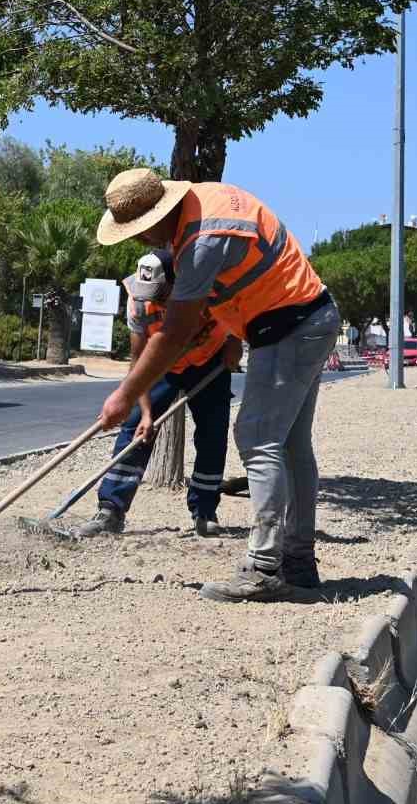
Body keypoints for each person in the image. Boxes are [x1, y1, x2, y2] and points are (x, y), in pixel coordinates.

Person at [94, 168, 340, 602]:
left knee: (258, 439)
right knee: (291, 446)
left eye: (137, 232)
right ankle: (299, 564)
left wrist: (125, 395)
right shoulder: (204, 202)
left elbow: (174, 332)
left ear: (156, 216)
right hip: (306, 318)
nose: (138, 241)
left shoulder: (202, 241)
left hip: (289, 326)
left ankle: (265, 569)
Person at [74, 249, 239, 539]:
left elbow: (240, 308)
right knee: (135, 429)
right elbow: (138, 361)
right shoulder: (138, 302)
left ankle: (204, 512)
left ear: (178, 282)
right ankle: (111, 509)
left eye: (160, 293)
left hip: (209, 360)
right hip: (161, 365)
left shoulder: (210, 287)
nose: (153, 299)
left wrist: (234, 341)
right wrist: (147, 413)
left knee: (213, 435)